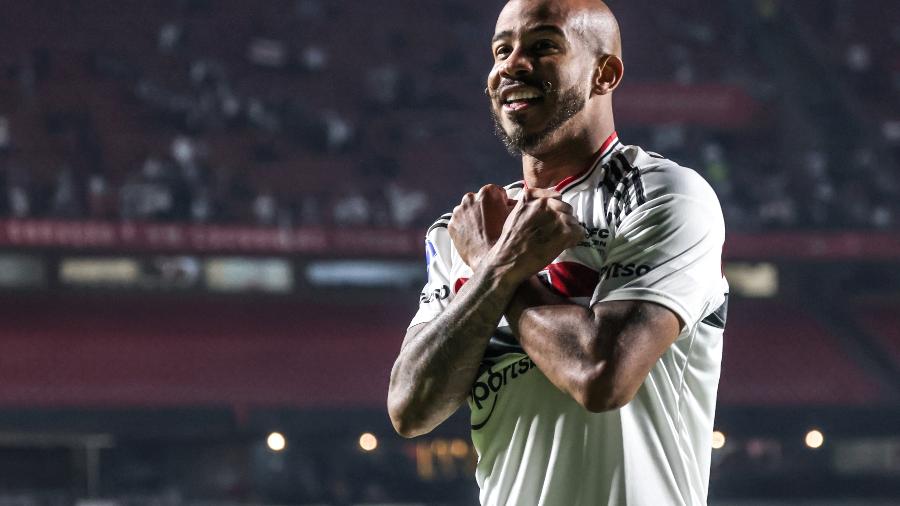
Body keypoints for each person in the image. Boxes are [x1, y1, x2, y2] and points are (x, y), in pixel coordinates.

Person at [387, 0, 728, 504]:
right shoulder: (462, 230)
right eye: (501, 49)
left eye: (543, 46)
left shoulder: (664, 194)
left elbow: (600, 377)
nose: (511, 64)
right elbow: (410, 409)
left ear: (604, 73)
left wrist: (493, 265)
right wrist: (496, 266)